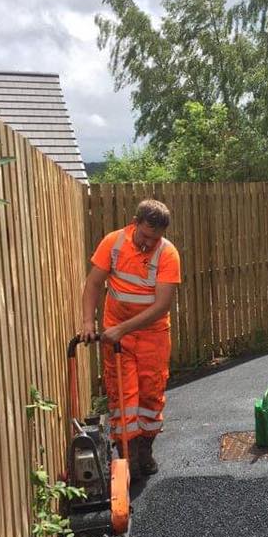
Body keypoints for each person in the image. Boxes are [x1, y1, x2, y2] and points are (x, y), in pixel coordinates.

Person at [80, 199, 181, 480]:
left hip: (152, 335)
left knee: (150, 395)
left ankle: (145, 449)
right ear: (134, 223)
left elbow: (161, 306)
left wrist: (122, 329)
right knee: (123, 395)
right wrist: (89, 322)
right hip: (117, 336)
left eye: (155, 238)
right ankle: (127, 456)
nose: (149, 243)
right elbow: (94, 284)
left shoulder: (168, 254)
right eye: (145, 236)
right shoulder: (113, 243)